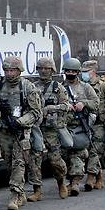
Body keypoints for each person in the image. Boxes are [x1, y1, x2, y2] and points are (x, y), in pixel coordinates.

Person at [0, 56, 42, 210]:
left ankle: (14, 195)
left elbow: (35, 112)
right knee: (8, 163)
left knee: (19, 162)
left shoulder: (27, 87)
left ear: (19, 70)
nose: (9, 73)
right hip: (4, 131)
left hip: (21, 131)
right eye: (7, 70)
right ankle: (20, 193)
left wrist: (19, 122)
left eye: (12, 70)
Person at [27, 57, 71, 200]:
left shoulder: (58, 88)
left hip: (51, 130)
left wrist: (51, 108)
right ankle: (37, 190)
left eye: (46, 69)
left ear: (52, 70)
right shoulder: (32, 87)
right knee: (35, 159)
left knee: (55, 160)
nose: (43, 71)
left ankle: (61, 183)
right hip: (36, 129)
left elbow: (66, 106)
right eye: (41, 68)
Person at [61, 58, 98, 196]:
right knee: (64, 155)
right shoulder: (59, 87)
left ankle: (75, 182)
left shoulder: (86, 87)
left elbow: (95, 103)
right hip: (64, 127)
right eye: (67, 71)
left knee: (78, 153)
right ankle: (69, 181)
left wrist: (84, 103)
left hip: (80, 126)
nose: (70, 73)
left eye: (73, 71)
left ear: (77, 72)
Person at [82, 60, 105, 190]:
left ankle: (90, 177)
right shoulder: (81, 86)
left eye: (86, 72)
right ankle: (99, 177)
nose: (83, 74)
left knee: (95, 151)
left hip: (99, 125)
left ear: (93, 72)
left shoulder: (104, 87)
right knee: (85, 151)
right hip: (84, 123)